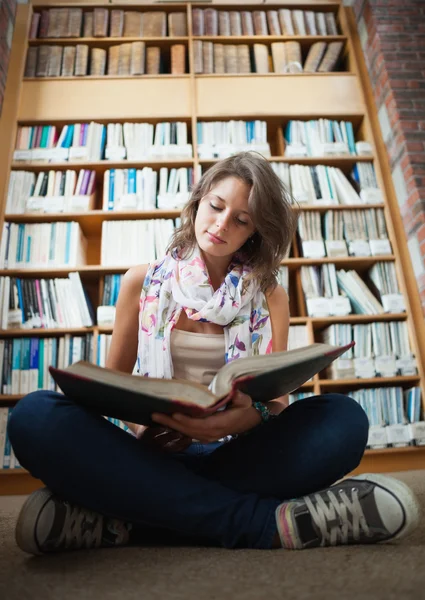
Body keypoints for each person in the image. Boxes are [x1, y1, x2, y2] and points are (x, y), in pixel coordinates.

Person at [8, 152, 420, 555]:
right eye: (216, 206)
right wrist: (141, 429)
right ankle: (262, 523)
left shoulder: (270, 296)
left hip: (237, 454)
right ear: (198, 202)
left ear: (254, 232)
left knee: (343, 420)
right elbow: (106, 390)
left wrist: (249, 416)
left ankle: (127, 517)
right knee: (35, 417)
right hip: (151, 455)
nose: (222, 224)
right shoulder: (141, 282)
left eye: (240, 220)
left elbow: (277, 401)